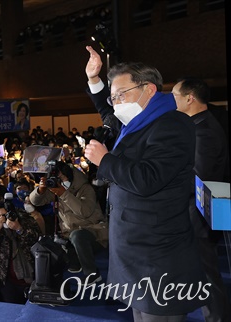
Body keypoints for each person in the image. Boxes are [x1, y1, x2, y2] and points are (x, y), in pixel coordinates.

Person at [83, 45, 207, 320]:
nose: (116, 103)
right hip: (134, 249)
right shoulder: (136, 123)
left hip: (157, 254)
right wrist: (94, 79)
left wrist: (105, 161)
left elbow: (149, 179)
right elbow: (107, 110)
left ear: (148, 89)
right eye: (114, 97)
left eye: (121, 95)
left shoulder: (172, 124)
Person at [172, 77, 231, 322]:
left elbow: (199, 176)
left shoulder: (203, 130)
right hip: (203, 208)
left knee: (206, 273)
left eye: (175, 94)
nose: (171, 99)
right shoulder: (200, 124)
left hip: (200, 211)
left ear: (190, 97)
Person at [29, 161, 107, 284]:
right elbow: (36, 202)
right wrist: (40, 190)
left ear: (68, 175)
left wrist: (63, 193)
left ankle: (92, 274)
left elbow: (84, 212)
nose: (59, 179)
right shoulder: (57, 189)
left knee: (77, 236)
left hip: (94, 234)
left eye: (61, 176)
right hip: (69, 236)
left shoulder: (86, 188)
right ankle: (75, 260)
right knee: (54, 243)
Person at [0, 200, 41, 304]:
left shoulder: (25, 221)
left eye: (7, 215)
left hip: (30, 277)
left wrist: (19, 228)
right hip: (7, 280)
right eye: (1, 216)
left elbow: (36, 238)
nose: (5, 218)